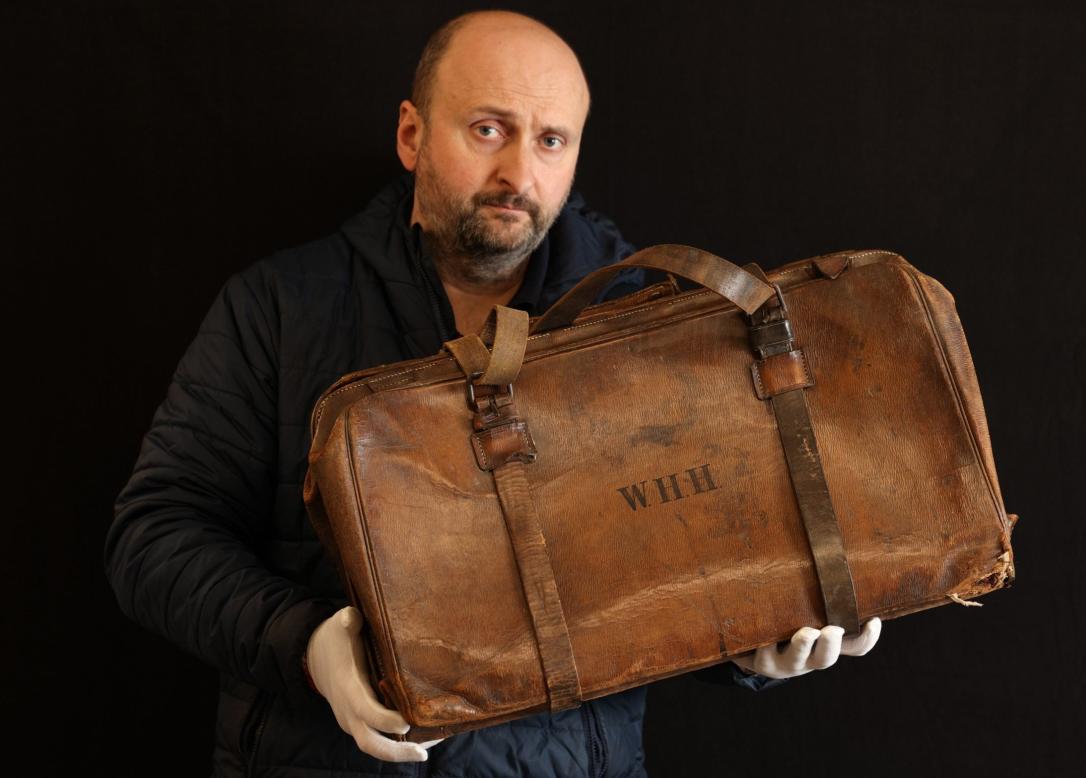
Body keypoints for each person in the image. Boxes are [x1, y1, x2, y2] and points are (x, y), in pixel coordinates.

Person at [106, 10, 881, 776]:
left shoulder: (641, 319)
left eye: (551, 141)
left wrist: (751, 642)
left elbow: (668, 562)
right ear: (411, 135)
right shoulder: (277, 308)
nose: (519, 174)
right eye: (487, 129)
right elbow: (153, 536)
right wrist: (306, 644)